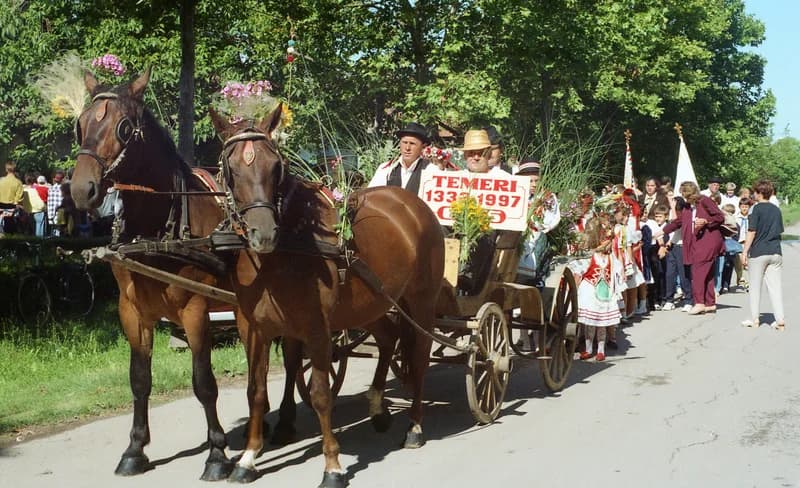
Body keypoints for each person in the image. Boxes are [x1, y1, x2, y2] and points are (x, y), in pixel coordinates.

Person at [658, 181, 724, 315]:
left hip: (707, 241)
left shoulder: (705, 201)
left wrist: (706, 222)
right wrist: (663, 231)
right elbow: (679, 221)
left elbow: (719, 216)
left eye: (684, 193)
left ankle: (699, 302)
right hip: (696, 242)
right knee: (708, 273)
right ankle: (710, 303)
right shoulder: (688, 207)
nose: (684, 197)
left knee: (698, 271)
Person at [570, 217, 620, 362]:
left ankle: (600, 350)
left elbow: (617, 274)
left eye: (610, 243)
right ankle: (588, 348)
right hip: (590, 291)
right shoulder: (590, 257)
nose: (609, 246)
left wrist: (615, 288)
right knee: (591, 324)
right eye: (608, 243)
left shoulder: (611, 259)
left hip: (605, 293)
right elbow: (579, 271)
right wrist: (576, 285)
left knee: (602, 324)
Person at [741, 179, 784, 331]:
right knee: (775, 287)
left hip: (759, 252)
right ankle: (780, 321)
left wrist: (745, 251)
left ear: (759, 193)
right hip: (775, 251)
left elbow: (752, 231)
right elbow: (779, 231)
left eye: (755, 192)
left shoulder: (755, 209)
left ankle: (755, 319)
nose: (753, 194)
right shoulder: (776, 209)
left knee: (755, 287)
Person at [516, 158, 561, 285]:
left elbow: (550, 221)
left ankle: (529, 277)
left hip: (535, 234)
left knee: (529, 245)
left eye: (536, 180)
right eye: (530, 181)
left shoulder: (547, 197)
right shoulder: (517, 193)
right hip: (516, 233)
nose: (534, 184)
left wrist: (535, 222)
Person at [368, 122, 432, 195]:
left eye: (412, 143)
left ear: (423, 146)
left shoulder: (430, 171)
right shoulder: (386, 169)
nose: (407, 148)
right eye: (404, 142)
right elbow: (371, 196)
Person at [0, 161, 24, 234]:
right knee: (11, 231)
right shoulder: (18, 182)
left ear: (6, 169)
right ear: (15, 169)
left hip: (0, 207)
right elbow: (19, 198)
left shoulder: (1, 181)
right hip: (12, 208)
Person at [47, 170, 65, 235]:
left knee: (54, 230)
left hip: (51, 212)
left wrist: (50, 215)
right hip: (61, 212)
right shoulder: (64, 189)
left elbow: (50, 203)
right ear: (62, 179)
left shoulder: (50, 189)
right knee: (59, 230)